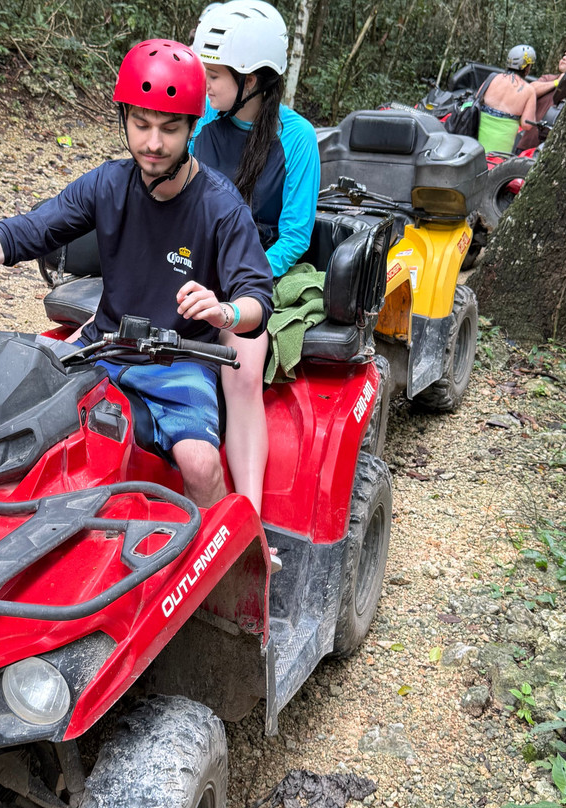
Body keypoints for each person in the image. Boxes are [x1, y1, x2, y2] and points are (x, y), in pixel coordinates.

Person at [0, 40, 274, 508]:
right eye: (141, 124)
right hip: (102, 349)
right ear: (124, 119)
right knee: (18, 427)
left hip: (179, 361)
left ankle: (224, 556)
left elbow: (257, 299)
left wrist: (225, 311)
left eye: (169, 129)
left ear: (192, 127)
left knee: (200, 463)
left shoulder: (220, 206)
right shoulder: (107, 183)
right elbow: (24, 232)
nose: (153, 143)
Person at [190, 0, 321, 514]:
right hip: (197, 255)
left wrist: (241, 279)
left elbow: (294, 236)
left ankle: (250, 514)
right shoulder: (199, 121)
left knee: (242, 365)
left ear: (255, 79)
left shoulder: (298, 138)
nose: (206, 85)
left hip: (254, 265)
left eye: (215, 75)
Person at [519, 44, 566, 150]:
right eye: (564, 55)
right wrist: (557, 82)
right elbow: (530, 90)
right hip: (527, 144)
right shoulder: (549, 78)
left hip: (549, 150)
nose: (564, 58)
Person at [478, 45, 537, 154]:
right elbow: (527, 124)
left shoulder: (492, 78)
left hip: (476, 137)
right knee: (493, 167)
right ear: (527, 67)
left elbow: (477, 99)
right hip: (501, 144)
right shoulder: (529, 90)